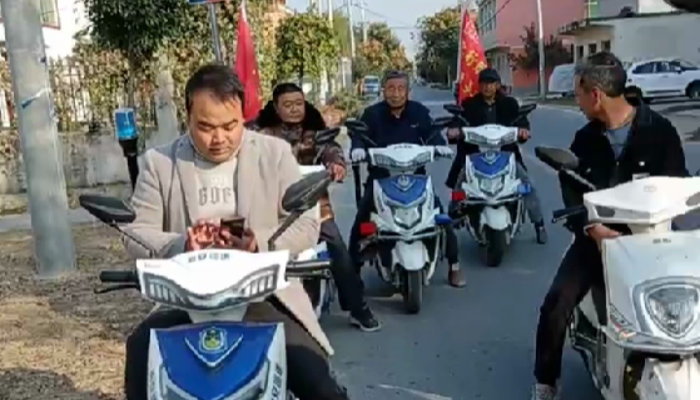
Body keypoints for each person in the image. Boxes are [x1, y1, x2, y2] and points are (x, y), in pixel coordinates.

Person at [121, 65, 350, 400]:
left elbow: (305, 223)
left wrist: (260, 243)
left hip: (261, 295)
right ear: (188, 116)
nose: (219, 139)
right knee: (140, 353)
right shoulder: (159, 162)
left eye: (230, 126)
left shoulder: (274, 153)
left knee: (319, 383)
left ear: (243, 115)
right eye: (206, 127)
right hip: (185, 300)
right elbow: (135, 232)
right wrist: (181, 244)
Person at [531, 52, 688, 400]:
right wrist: (593, 229)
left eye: (578, 93)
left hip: (655, 238)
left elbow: (679, 183)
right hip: (598, 238)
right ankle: (546, 381)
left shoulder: (659, 131)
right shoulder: (585, 139)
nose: (577, 101)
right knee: (556, 304)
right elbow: (571, 189)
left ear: (596, 94)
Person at [250, 82, 381, 332]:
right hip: (269, 205)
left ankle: (358, 308)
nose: (294, 109)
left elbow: (331, 149)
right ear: (275, 107)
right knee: (251, 248)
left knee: (338, 251)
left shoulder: (315, 131)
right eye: (287, 105)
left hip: (313, 205)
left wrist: (336, 164)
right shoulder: (259, 133)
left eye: (298, 103)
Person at [348, 70, 466, 288]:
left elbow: (432, 133)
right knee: (361, 221)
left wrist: (440, 146)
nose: (396, 93)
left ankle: (454, 265)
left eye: (401, 89)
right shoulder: (371, 114)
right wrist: (357, 149)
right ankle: (352, 275)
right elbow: (359, 136)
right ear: (383, 91)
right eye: (391, 89)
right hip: (381, 177)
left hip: (415, 176)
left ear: (408, 91)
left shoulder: (418, 112)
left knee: (440, 217)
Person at [445, 68, 548, 244]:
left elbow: (522, 122)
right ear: (479, 85)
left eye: (491, 83)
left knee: (526, 185)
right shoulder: (469, 104)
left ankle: (539, 224)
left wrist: (524, 131)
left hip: (506, 156)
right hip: (475, 156)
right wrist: (454, 131)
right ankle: (452, 220)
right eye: (484, 83)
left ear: (498, 85)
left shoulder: (510, 104)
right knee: (459, 184)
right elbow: (457, 122)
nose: (488, 87)